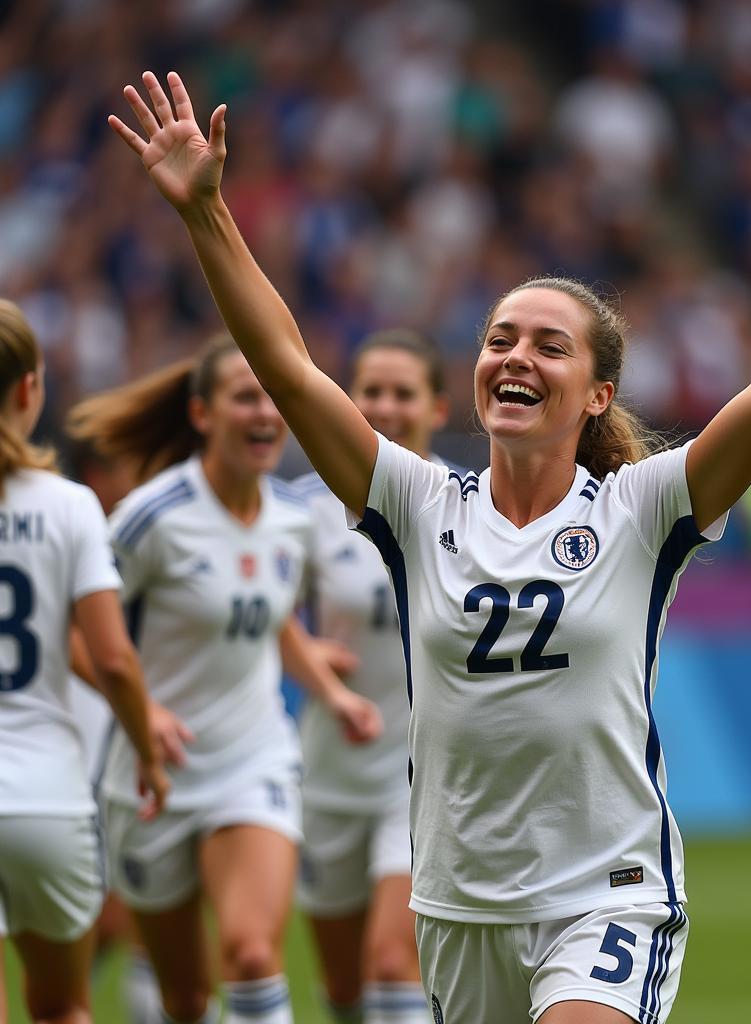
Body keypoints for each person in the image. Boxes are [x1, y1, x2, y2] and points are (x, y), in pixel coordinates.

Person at [110, 69, 751, 1024]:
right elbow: (287, 366)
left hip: (607, 893)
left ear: (598, 395)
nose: (516, 356)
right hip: (460, 905)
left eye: (548, 345)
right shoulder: (414, 505)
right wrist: (206, 213)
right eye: (499, 338)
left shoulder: (644, 509)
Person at [67, 335, 382, 1024]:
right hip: (152, 775)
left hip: (252, 760)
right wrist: (141, 711)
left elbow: (274, 621)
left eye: (273, 396)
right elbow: (76, 634)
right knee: (183, 998)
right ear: (204, 415)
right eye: (246, 396)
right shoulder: (151, 518)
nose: (265, 411)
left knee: (247, 952)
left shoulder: (293, 523)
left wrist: (330, 693)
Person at [0, 299, 169, 1024]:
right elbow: (115, 660)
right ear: (31, 390)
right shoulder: (69, 506)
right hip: (47, 795)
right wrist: (148, 753)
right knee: (65, 1007)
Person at [294, 329, 452, 1024]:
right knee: (346, 991)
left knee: (393, 963)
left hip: (419, 778)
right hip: (329, 770)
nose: (385, 406)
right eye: (371, 392)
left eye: (403, 393)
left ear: (438, 409)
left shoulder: (464, 503)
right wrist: (305, 652)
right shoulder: (304, 509)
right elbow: (255, 613)